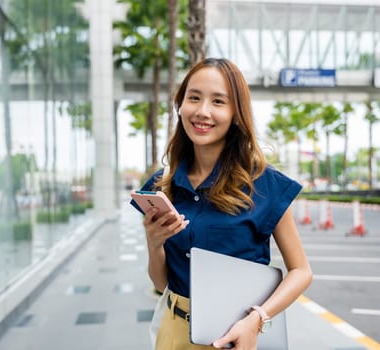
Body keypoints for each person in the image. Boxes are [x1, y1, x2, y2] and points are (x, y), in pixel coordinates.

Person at [131, 57, 312, 350]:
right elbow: (161, 283)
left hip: (237, 338)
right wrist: (154, 244)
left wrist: (258, 319)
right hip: (174, 334)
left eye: (218, 101)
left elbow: (301, 271)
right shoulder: (161, 186)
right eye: (194, 98)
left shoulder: (265, 185)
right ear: (180, 105)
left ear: (236, 114)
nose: (202, 112)